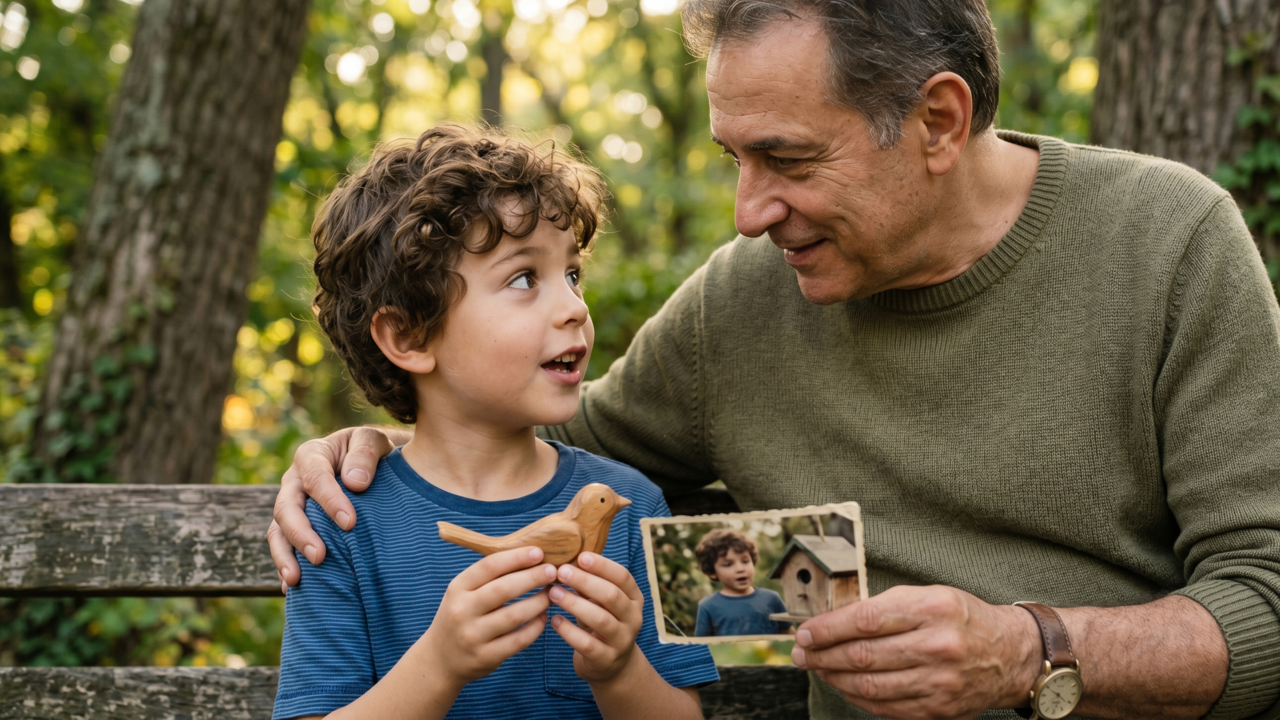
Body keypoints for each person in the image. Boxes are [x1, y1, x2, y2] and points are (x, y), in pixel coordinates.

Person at [268, 2, 1280, 719]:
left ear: (936, 122)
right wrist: (372, 438)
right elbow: (525, 442)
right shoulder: (741, 301)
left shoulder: (1168, 241)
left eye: (787, 160)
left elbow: (1263, 600)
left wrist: (1029, 651)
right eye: (733, 159)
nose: (748, 213)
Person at [271, 124, 717, 720]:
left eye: (573, 274)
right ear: (408, 335)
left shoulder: (633, 503)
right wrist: (440, 664)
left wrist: (618, 670)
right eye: (524, 278)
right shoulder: (343, 524)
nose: (575, 309)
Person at [692, 528, 791, 637]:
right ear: (712, 572)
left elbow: (788, 634)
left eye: (745, 561)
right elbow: (701, 646)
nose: (740, 569)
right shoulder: (707, 606)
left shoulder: (772, 598)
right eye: (728, 564)